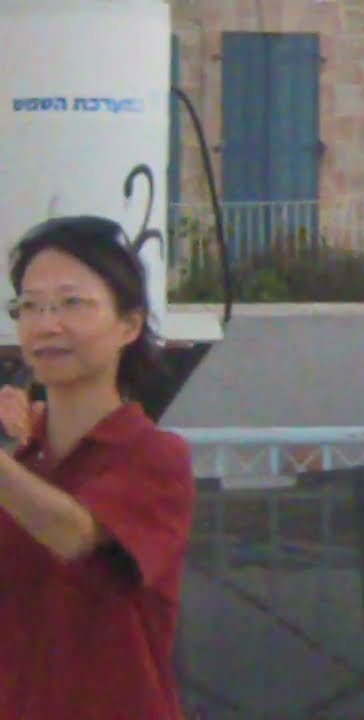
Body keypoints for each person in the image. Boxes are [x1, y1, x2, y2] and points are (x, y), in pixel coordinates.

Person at [0, 216, 194, 719]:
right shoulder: (20, 460)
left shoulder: (154, 456)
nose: (47, 324)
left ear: (129, 324)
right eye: (31, 306)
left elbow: (73, 534)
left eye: (72, 303)